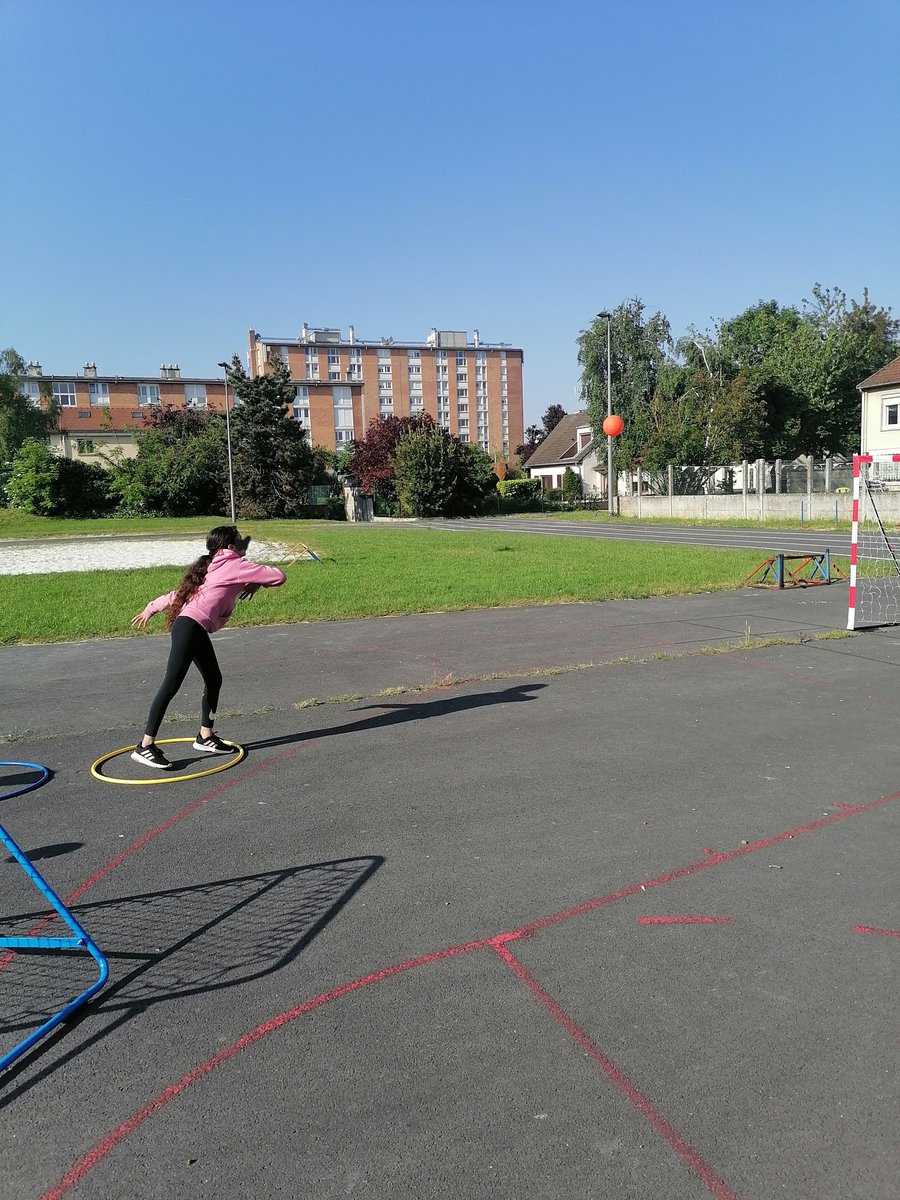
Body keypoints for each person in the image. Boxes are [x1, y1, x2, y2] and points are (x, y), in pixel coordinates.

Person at [130, 525, 286, 769]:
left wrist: (151, 608)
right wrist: (258, 581)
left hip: (192, 627)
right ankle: (145, 745)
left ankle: (205, 736)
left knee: (214, 679)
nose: (244, 543)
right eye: (239, 540)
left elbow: (177, 594)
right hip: (190, 627)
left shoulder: (212, 564)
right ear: (231, 546)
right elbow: (278, 576)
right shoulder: (236, 565)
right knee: (171, 684)